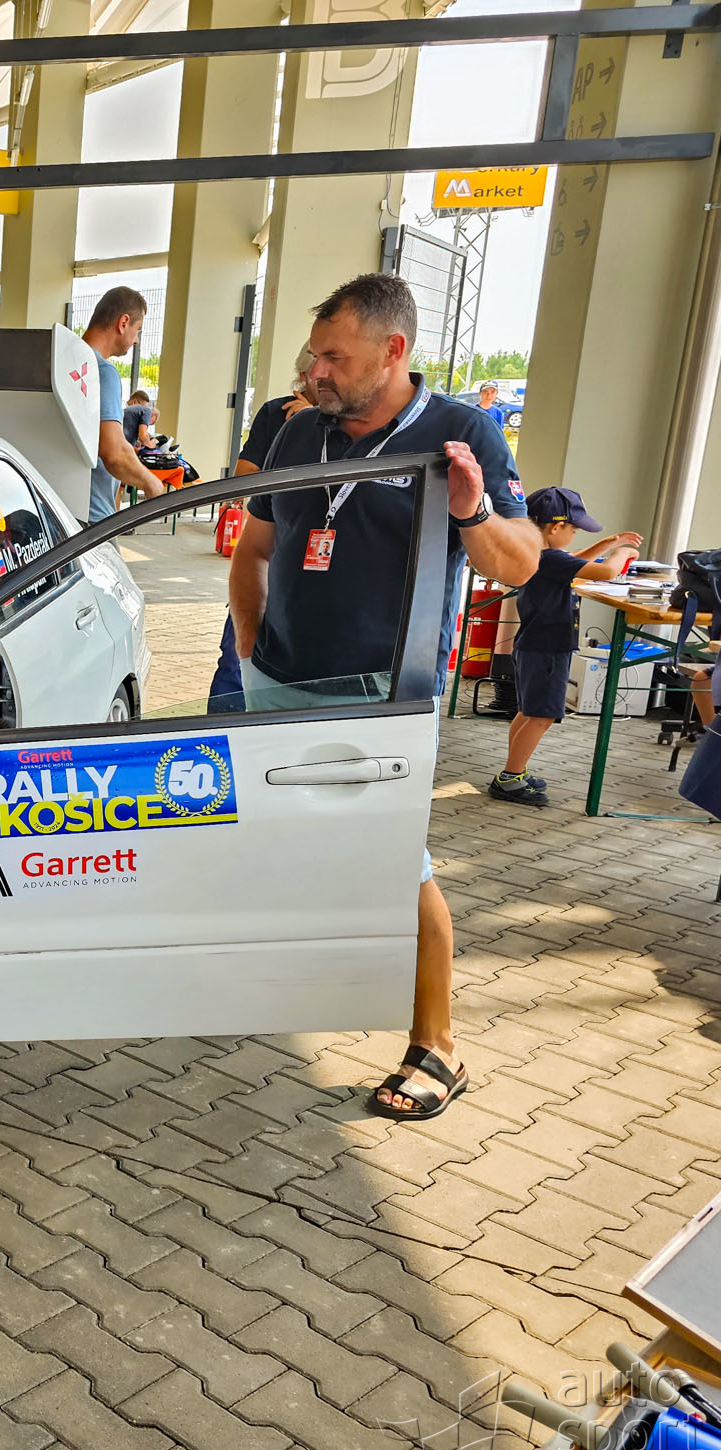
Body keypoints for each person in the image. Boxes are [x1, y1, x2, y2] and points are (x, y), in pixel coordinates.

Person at [228, 272, 539, 1121]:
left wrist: (473, 513)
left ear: (393, 350)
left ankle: (437, 1046)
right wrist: (251, 644)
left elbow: (519, 564)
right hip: (280, 679)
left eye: (335, 357)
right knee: (291, 843)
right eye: (313, 354)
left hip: (382, 694)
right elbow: (255, 546)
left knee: (400, 862)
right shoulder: (300, 432)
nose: (315, 371)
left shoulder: (459, 432)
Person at [488, 488, 642, 806]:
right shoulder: (549, 558)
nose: (574, 535)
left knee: (528, 712)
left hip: (532, 645)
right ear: (556, 527)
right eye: (574, 530)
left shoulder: (537, 554)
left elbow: (573, 562)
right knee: (541, 716)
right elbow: (606, 572)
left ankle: (514, 771)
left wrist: (608, 544)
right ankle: (510, 779)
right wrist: (623, 553)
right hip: (548, 648)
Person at [207, 352, 318, 706]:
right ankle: (222, 735)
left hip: (322, 572)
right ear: (304, 374)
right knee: (236, 659)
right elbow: (243, 478)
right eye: (320, 364)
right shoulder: (276, 414)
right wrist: (299, 432)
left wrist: (314, 421)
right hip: (269, 555)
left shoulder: (356, 421)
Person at [82, 288, 169, 522]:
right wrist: (152, 484)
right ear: (123, 323)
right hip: (91, 516)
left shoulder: (64, 362)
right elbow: (114, 452)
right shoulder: (101, 371)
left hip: (57, 510)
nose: (137, 339)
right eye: (137, 330)